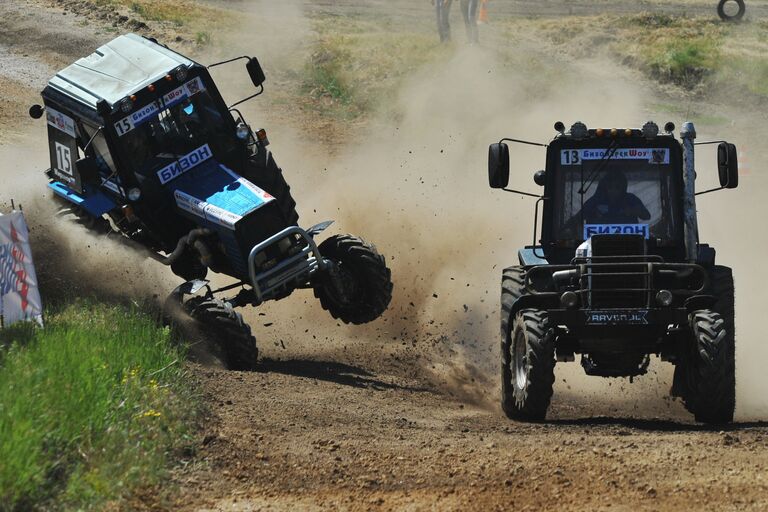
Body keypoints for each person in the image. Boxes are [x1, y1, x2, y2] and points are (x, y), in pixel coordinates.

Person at [578, 171, 651, 224]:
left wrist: (633, 210)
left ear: (623, 187)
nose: (613, 190)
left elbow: (647, 216)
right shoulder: (596, 200)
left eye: (617, 187)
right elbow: (578, 217)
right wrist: (593, 213)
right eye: (610, 187)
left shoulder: (631, 199)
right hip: (598, 241)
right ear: (605, 187)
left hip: (628, 241)